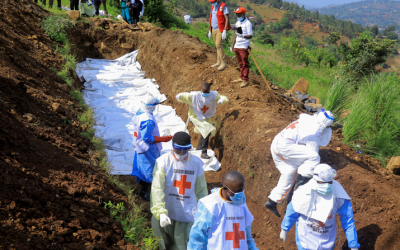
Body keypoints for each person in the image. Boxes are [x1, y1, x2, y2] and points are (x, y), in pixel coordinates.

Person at [264, 108, 334, 217]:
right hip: (285, 148)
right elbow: (312, 152)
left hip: (276, 146)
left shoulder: (307, 120)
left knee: (289, 171)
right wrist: (313, 173)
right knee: (314, 158)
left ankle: (272, 201)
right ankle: (298, 192)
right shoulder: (314, 131)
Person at [280, 164, 360, 250]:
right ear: (315, 179)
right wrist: (285, 228)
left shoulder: (339, 195)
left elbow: (347, 220)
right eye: (322, 183)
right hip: (306, 240)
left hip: (327, 241)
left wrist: (353, 244)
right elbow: (292, 211)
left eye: (329, 183)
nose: (326, 186)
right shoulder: (303, 193)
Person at [150, 132, 208, 250]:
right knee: (164, 241)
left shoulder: (196, 163)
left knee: (183, 243)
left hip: (187, 210)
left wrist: (204, 212)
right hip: (167, 208)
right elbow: (157, 188)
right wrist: (160, 212)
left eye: (185, 150)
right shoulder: (163, 162)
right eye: (178, 149)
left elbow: (202, 190)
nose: (181, 153)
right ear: (172, 146)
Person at [187, 170, 258, 250]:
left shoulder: (241, 202)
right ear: (225, 189)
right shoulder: (211, 204)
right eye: (237, 191)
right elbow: (197, 235)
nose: (240, 194)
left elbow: (247, 233)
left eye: (242, 190)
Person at [131, 95, 173, 201]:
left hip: (139, 145)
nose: (155, 107)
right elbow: (147, 138)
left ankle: (141, 186)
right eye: (154, 105)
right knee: (149, 169)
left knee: (142, 167)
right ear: (150, 106)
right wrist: (163, 139)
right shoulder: (148, 120)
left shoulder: (140, 112)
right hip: (147, 149)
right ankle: (144, 191)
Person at [176, 82, 229, 159]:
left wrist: (222, 100)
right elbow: (185, 96)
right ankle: (203, 152)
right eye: (204, 92)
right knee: (206, 131)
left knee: (204, 132)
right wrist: (180, 96)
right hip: (195, 118)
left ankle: (199, 149)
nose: (205, 94)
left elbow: (223, 97)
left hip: (206, 119)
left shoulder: (213, 95)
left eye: (207, 93)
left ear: (209, 91)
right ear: (200, 90)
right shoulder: (195, 96)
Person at [230, 7, 253, 88]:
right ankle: (241, 77)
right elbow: (236, 34)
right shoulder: (238, 23)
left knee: (244, 63)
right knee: (240, 63)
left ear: (243, 14)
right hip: (237, 45)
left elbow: (250, 35)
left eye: (238, 14)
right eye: (236, 14)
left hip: (244, 46)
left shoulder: (248, 23)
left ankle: (245, 80)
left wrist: (243, 36)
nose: (237, 15)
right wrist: (232, 45)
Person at [208, 0, 231, 71]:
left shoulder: (224, 6)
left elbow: (227, 19)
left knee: (219, 45)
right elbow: (212, 18)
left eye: (213, 1)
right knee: (217, 46)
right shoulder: (213, 7)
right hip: (213, 29)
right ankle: (218, 61)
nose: (212, 3)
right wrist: (210, 30)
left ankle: (224, 62)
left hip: (220, 29)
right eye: (211, 2)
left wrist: (224, 30)